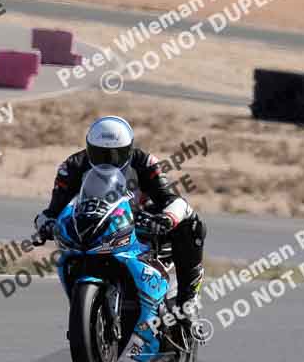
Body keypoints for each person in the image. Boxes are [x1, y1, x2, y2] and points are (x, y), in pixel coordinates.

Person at [34, 116, 207, 331]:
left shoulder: (145, 162)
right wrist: (45, 224)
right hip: (94, 226)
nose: (107, 160)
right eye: (100, 154)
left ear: (129, 150)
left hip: (139, 223)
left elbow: (170, 198)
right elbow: (53, 209)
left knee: (192, 224)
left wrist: (164, 219)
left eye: (115, 155)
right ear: (89, 148)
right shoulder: (72, 166)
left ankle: (187, 302)